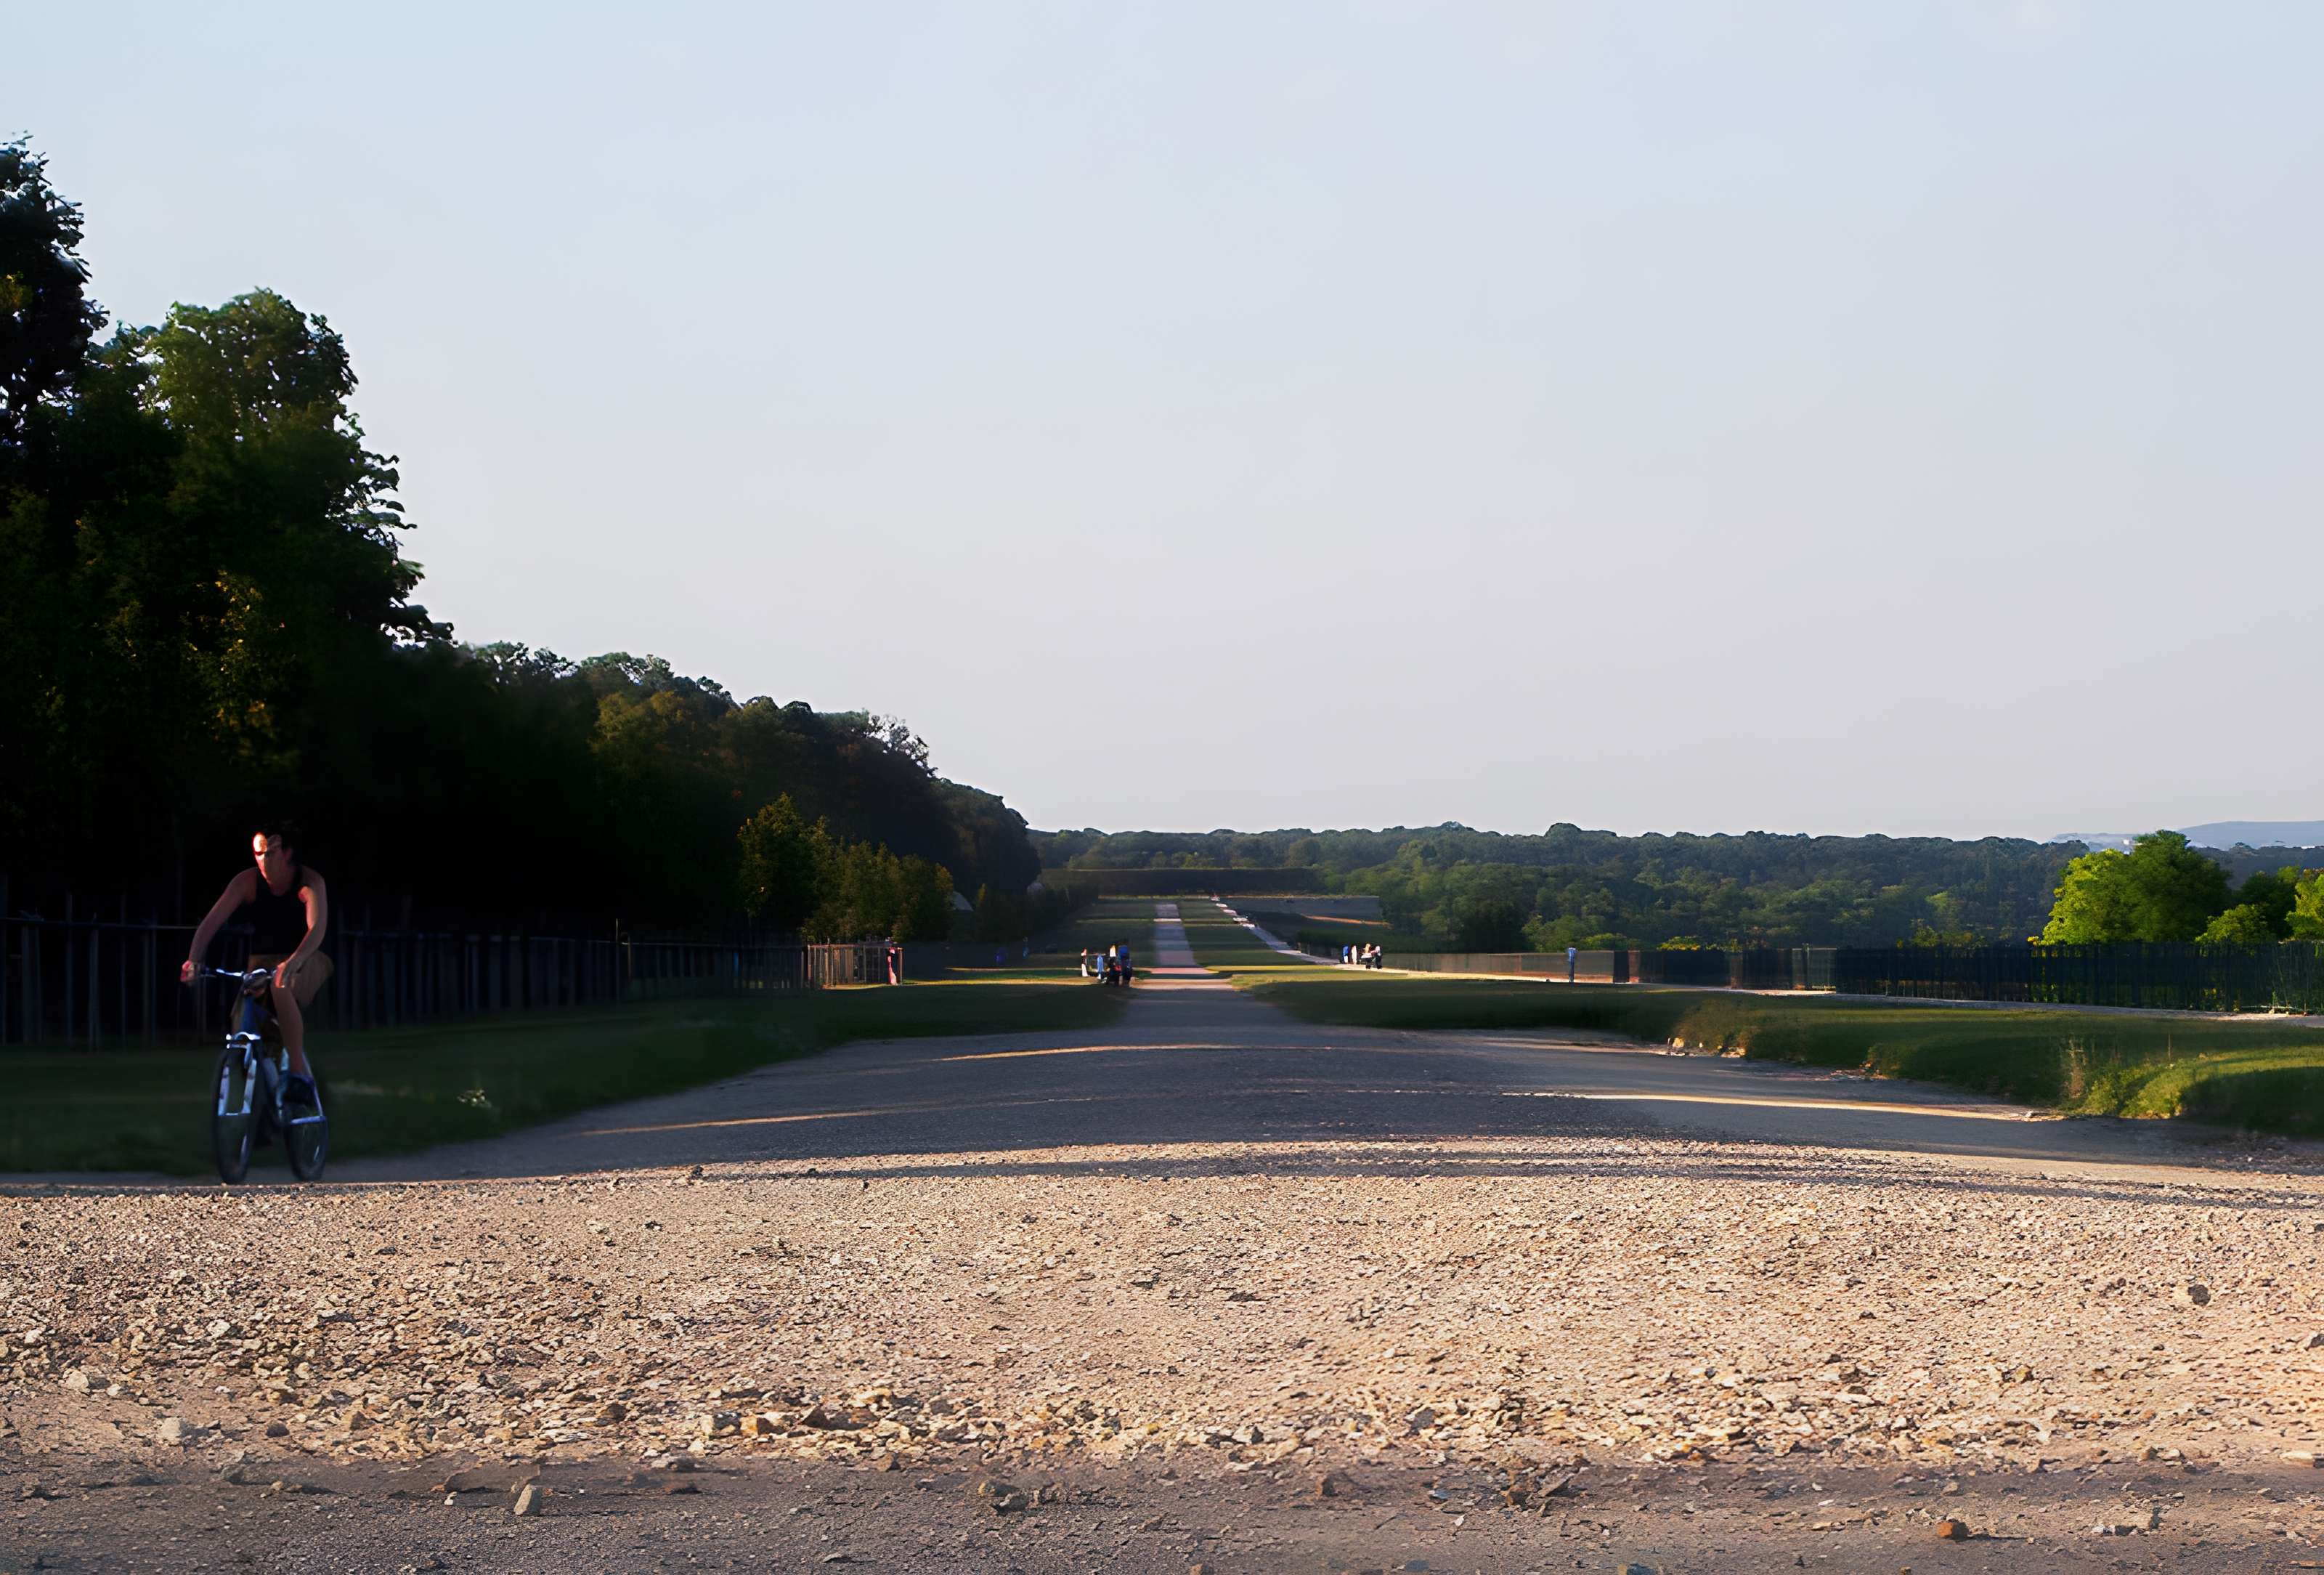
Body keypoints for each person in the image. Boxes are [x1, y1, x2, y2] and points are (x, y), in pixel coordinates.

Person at [182, 822, 331, 1106]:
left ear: (287, 854)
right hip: (262, 962)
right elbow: (211, 922)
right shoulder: (246, 882)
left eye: (271, 853)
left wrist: (294, 961)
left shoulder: (310, 883)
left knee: (280, 983)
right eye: (258, 854)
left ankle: (299, 1074)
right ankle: (259, 1110)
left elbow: (317, 929)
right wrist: (194, 959)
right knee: (243, 1030)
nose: (263, 861)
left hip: (308, 957)